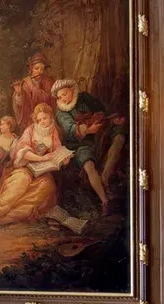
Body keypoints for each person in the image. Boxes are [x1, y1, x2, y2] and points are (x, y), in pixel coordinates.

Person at [52, 78, 126, 211]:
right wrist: (88, 130)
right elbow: (69, 129)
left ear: (72, 90)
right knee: (88, 165)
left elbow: (101, 109)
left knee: (119, 136)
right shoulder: (60, 112)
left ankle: (106, 175)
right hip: (81, 142)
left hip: (101, 132)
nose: (62, 98)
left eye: (64, 94)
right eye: (59, 97)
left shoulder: (84, 97)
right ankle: (104, 200)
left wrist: (111, 118)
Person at [12, 54, 54, 129]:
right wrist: (19, 93)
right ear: (31, 69)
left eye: (42, 69)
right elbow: (23, 104)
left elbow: (52, 100)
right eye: (36, 68)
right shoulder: (26, 83)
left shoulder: (48, 81)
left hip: (47, 118)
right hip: (31, 120)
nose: (40, 71)